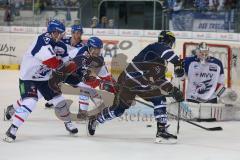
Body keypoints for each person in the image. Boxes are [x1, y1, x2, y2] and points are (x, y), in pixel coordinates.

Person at [87, 30, 185, 144]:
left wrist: (173, 90)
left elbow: (160, 80)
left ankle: (161, 131)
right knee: (119, 109)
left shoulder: (162, 62)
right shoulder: (155, 47)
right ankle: (95, 120)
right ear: (169, 42)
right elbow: (167, 52)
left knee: (157, 99)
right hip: (129, 80)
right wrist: (177, 63)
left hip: (142, 84)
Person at [3, 19, 78, 143]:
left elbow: (67, 63)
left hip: (45, 78)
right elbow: (54, 63)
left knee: (59, 99)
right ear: (53, 33)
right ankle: (12, 129)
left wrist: (75, 70)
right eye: (60, 33)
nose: (62, 35)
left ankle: (68, 122)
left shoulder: (61, 45)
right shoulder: (42, 42)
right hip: (28, 78)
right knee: (30, 102)